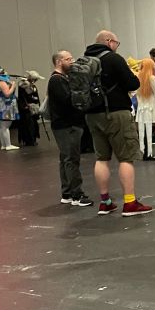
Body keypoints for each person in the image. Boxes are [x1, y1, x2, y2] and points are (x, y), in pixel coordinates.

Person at [83, 31, 152, 216]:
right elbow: (132, 84)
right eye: (116, 43)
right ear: (109, 41)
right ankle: (130, 202)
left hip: (92, 114)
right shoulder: (113, 59)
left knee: (101, 158)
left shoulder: (85, 60)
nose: (116, 46)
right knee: (126, 157)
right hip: (116, 113)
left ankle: (105, 202)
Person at [47, 51, 92, 207]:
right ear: (59, 61)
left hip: (65, 124)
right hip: (67, 125)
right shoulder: (57, 80)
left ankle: (67, 193)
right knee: (71, 159)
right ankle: (77, 195)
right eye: (68, 59)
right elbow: (67, 101)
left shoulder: (61, 79)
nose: (72, 62)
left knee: (65, 158)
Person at [135, 58, 155, 161]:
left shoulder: (137, 77)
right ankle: (149, 153)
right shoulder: (152, 78)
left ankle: (143, 151)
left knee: (142, 130)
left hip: (141, 107)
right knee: (149, 130)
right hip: (151, 106)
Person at [0, 67, 20, 151]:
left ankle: (4, 144)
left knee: (1, 126)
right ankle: (8, 145)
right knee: (5, 126)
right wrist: (13, 86)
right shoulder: (2, 83)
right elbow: (7, 94)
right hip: (5, 106)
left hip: (0, 105)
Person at [16, 70, 43, 146]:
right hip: (26, 109)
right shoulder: (24, 85)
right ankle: (29, 140)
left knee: (33, 125)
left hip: (32, 108)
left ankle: (32, 139)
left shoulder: (30, 85)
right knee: (28, 125)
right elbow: (29, 93)